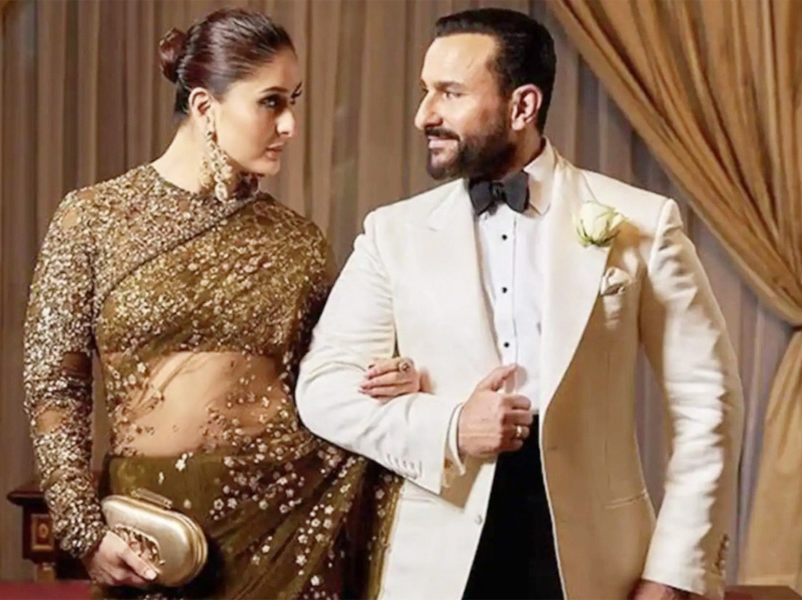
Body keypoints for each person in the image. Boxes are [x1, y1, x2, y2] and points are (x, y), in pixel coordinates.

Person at [296, 8, 743, 600]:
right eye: (426, 91)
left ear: (523, 106)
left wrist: (676, 571)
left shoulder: (642, 222)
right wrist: (451, 426)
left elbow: (708, 400)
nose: (424, 114)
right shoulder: (392, 234)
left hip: (596, 568)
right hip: (436, 568)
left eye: (450, 93)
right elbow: (323, 389)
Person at [23, 9, 416, 599]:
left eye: (294, 102)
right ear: (206, 107)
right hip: (155, 533)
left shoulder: (299, 242)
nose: (290, 124)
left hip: (289, 522)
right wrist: (83, 530)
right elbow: (55, 383)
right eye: (271, 102)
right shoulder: (94, 219)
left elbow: (329, 377)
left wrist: (390, 377)